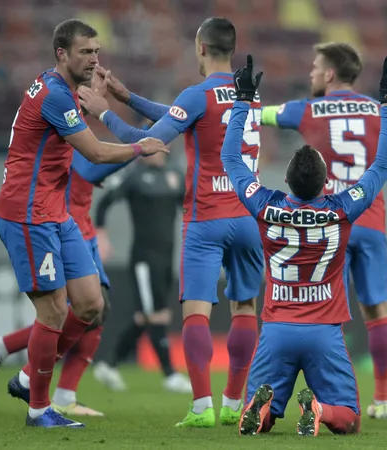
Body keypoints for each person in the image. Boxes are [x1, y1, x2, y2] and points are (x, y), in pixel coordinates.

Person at [77, 17, 263, 428]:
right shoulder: (250, 93)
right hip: (248, 217)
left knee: (196, 311)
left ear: (200, 48)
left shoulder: (196, 94)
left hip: (207, 219)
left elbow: (146, 143)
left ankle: (201, 407)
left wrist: (106, 112)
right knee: (245, 307)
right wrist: (128, 96)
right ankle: (234, 401)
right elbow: (184, 115)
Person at [0, 18, 166, 428]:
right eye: (85, 52)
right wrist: (139, 146)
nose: (94, 59)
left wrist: (97, 103)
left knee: (91, 303)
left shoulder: (61, 89)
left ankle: (24, 377)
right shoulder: (54, 95)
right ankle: (38, 408)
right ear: (62, 54)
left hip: (55, 211)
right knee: (53, 312)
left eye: (97, 51)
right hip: (27, 213)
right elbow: (95, 153)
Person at [224, 55, 387, 436]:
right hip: (324, 330)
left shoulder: (265, 204)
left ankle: (261, 409)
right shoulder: (342, 208)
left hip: (275, 329)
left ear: (286, 183)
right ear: (327, 185)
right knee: (349, 419)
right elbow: (384, 163)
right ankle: (320, 408)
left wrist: (242, 101)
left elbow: (231, 160)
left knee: (263, 417)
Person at [259, 41, 387, 419]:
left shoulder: (307, 109)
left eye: (316, 67)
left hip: (328, 225)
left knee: (319, 307)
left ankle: (310, 392)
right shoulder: (378, 110)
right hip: (369, 221)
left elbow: (259, 114)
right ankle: (381, 400)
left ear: (330, 74)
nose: (312, 73)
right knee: (377, 312)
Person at [0, 147, 134, 418]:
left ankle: (61, 393)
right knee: (65, 312)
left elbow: (92, 172)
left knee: (96, 309)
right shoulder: (64, 131)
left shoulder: (81, 134)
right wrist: (139, 147)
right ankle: (14, 360)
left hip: (84, 228)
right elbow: (93, 167)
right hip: (63, 227)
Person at [91, 151, 191, 394]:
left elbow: (188, 209)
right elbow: (104, 204)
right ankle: (170, 374)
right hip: (144, 259)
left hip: (167, 257)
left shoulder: (175, 175)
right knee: (154, 314)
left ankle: (108, 363)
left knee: (147, 316)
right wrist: (101, 236)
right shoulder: (135, 177)